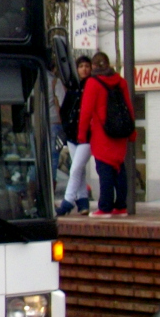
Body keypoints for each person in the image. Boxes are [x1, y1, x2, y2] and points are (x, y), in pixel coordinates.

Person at [78, 51, 135, 217]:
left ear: (94, 66)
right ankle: (121, 205)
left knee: (105, 170)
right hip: (120, 134)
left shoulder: (93, 83)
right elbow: (128, 107)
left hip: (102, 134)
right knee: (119, 168)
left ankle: (105, 206)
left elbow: (86, 111)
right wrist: (131, 132)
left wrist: (82, 135)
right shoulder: (121, 82)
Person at [57, 56, 93, 215]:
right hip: (72, 135)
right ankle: (83, 201)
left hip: (87, 136)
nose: (84, 69)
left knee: (75, 168)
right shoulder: (72, 88)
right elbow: (64, 110)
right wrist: (66, 127)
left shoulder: (92, 86)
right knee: (80, 170)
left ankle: (67, 202)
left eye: (87, 66)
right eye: (81, 66)